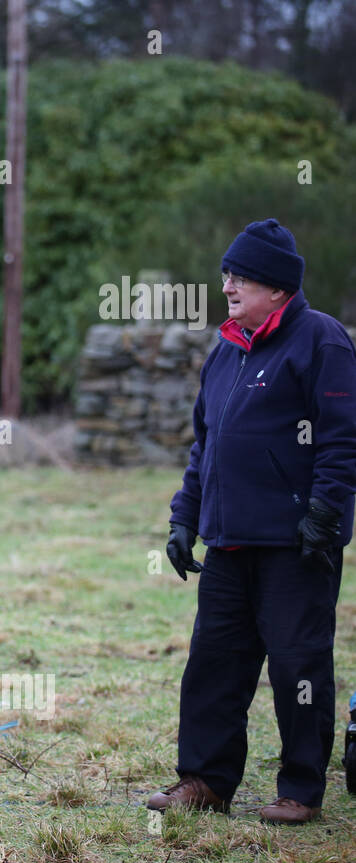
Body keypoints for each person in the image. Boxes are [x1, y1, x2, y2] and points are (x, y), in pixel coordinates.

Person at [156, 218, 356, 824]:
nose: (227, 288)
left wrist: (324, 514)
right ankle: (206, 781)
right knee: (213, 664)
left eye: (240, 277)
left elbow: (344, 441)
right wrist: (184, 518)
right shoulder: (225, 354)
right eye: (226, 276)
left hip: (297, 546)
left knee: (299, 668)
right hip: (229, 544)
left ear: (277, 286)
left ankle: (300, 790)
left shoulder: (322, 341)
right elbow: (204, 447)